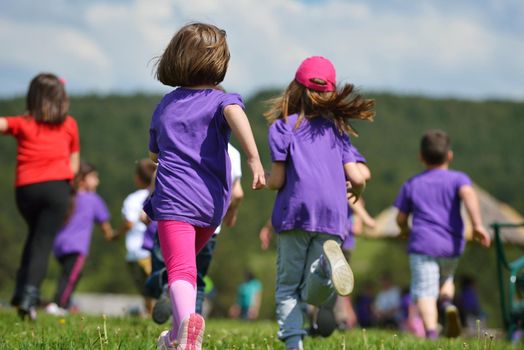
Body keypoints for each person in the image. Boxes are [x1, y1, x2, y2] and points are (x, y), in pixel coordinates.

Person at [144, 23, 265, 350]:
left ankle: (186, 333)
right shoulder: (221, 101)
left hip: (175, 202)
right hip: (211, 206)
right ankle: (172, 336)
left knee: (180, 270)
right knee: (185, 268)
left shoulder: (166, 106)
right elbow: (235, 112)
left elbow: (153, 154)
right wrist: (254, 157)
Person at [265, 56, 374, 350]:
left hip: (295, 212)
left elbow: (277, 180)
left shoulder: (282, 128)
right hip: (334, 215)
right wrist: (358, 192)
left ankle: (293, 344)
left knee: (288, 285)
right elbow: (357, 175)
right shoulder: (336, 128)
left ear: (294, 90)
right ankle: (326, 271)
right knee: (315, 284)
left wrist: (263, 177)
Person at [394, 129, 491, 339]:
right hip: (451, 246)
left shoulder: (412, 184)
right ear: (450, 155)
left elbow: (400, 218)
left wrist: (404, 230)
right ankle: (447, 304)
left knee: (425, 291)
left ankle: (431, 333)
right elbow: (468, 194)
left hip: (423, 245)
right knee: (446, 278)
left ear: (421, 157)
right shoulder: (459, 179)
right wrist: (477, 225)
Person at [0, 73, 80, 320]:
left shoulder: (23, 123)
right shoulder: (69, 125)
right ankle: (29, 298)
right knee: (42, 243)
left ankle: (19, 293)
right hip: (56, 189)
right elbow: (74, 164)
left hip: (26, 190)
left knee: (34, 238)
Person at [46, 161, 114, 315]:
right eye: (94, 177)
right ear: (82, 180)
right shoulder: (93, 199)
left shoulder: (68, 197)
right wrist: (113, 236)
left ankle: (66, 304)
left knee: (70, 274)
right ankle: (58, 305)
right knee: (70, 277)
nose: (97, 181)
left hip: (59, 245)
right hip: (76, 246)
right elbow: (105, 226)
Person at [115, 158, 157, 315]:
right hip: (155, 250)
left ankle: (151, 314)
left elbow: (129, 223)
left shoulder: (133, 199)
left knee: (146, 290)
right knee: (156, 287)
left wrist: (116, 234)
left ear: (138, 178)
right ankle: (155, 315)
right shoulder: (160, 195)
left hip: (136, 252)